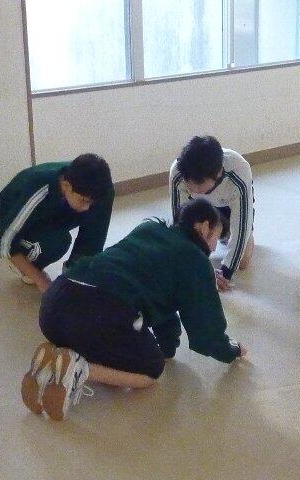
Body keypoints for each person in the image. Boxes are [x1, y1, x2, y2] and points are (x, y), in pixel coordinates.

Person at [21, 198, 247, 421]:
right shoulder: (196, 261)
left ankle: (52, 363)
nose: (214, 247)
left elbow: (163, 305)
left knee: (105, 337)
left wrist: (167, 347)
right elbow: (206, 332)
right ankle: (80, 369)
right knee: (151, 370)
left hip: (54, 304)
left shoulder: (148, 229)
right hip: (98, 312)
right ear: (204, 227)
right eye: (216, 238)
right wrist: (232, 350)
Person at [0, 153, 113, 292]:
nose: (87, 208)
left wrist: (77, 278)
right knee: (57, 242)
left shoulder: (101, 191)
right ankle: (26, 265)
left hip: (57, 209)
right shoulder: (40, 188)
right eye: (84, 201)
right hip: (13, 218)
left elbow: (94, 239)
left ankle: (74, 275)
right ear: (66, 186)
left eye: (90, 202)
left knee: (97, 209)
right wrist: (42, 282)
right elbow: (3, 242)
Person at [170, 136, 255, 290]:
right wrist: (195, 268)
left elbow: (240, 227)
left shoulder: (240, 171)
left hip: (227, 208)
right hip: (199, 210)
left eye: (201, 187)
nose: (194, 190)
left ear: (219, 173)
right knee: (198, 246)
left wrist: (225, 273)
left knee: (242, 260)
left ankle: (233, 232)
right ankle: (219, 234)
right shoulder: (178, 172)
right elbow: (180, 224)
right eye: (191, 186)